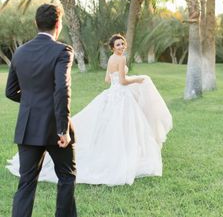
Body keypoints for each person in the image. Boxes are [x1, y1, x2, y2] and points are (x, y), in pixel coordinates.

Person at [7, 34, 173, 186]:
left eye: (123, 44)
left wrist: (121, 80)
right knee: (123, 127)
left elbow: (108, 79)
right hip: (121, 96)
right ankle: (120, 158)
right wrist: (139, 79)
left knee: (111, 127)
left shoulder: (111, 59)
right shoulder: (121, 60)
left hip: (112, 94)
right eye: (118, 44)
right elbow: (122, 81)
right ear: (113, 47)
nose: (122, 46)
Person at [5, 4, 77, 217]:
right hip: (56, 127)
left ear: (37, 24)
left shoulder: (20, 52)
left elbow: (10, 91)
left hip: (27, 127)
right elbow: (62, 90)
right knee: (66, 177)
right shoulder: (63, 51)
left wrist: (32, 103)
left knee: (26, 182)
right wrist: (63, 129)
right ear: (58, 24)